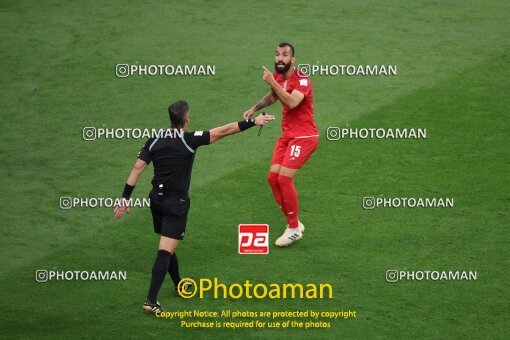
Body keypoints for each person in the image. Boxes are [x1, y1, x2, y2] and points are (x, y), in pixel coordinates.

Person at [114, 100, 274, 313]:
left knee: (167, 244)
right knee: (165, 250)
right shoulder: (189, 140)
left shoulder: (154, 140)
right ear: (186, 119)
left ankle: (179, 284)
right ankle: (151, 301)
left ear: (170, 119)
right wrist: (254, 122)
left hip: (156, 201)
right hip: (175, 203)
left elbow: (137, 167)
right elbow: (224, 131)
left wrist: (125, 198)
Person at [243, 42, 319, 247]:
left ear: (293, 59)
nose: (280, 58)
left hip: (304, 137)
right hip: (287, 136)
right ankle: (293, 224)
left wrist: (273, 83)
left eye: (285, 55)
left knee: (284, 179)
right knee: (273, 178)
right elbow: (274, 95)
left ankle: (293, 228)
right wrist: (255, 107)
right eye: (277, 54)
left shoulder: (302, 80)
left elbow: (293, 102)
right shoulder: (278, 78)